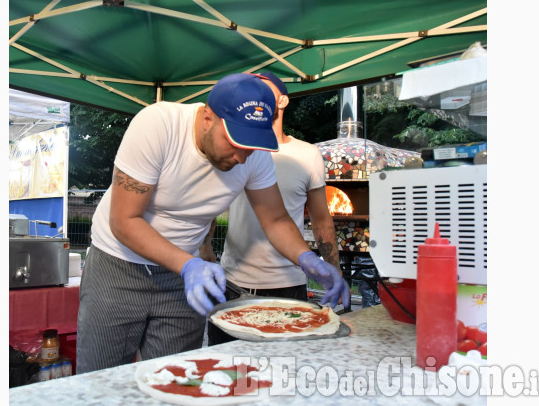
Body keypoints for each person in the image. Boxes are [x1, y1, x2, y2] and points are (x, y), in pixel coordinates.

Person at [76, 73, 350, 374]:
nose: (241, 158)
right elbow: (124, 220)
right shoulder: (158, 125)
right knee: (99, 380)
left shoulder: (252, 156)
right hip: (118, 267)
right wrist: (189, 264)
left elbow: (275, 219)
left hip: (183, 279)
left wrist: (307, 257)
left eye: (250, 146)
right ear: (207, 117)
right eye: (233, 142)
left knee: (176, 378)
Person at [207, 72, 346, 345]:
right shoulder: (232, 147)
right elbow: (211, 205)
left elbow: (321, 219)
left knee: (282, 376)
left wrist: (333, 270)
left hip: (288, 283)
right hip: (234, 281)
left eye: (263, 88)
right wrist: (204, 252)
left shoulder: (308, 154)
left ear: (282, 100)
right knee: (224, 372)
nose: (255, 95)